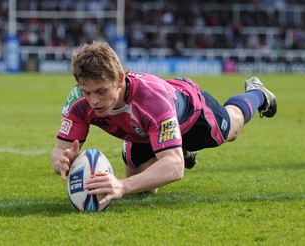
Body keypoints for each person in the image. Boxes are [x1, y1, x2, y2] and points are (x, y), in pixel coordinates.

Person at [51, 41, 277, 205]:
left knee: (232, 128)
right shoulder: (79, 101)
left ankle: (257, 93)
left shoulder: (151, 101)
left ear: (120, 79)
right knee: (146, 190)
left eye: (101, 91)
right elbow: (60, 150)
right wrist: (62, 161)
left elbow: (175, 168)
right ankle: (171, 147)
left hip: (190, 114)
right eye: (87, 92)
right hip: (142, 132)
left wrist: (122, 185)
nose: (94, 100)